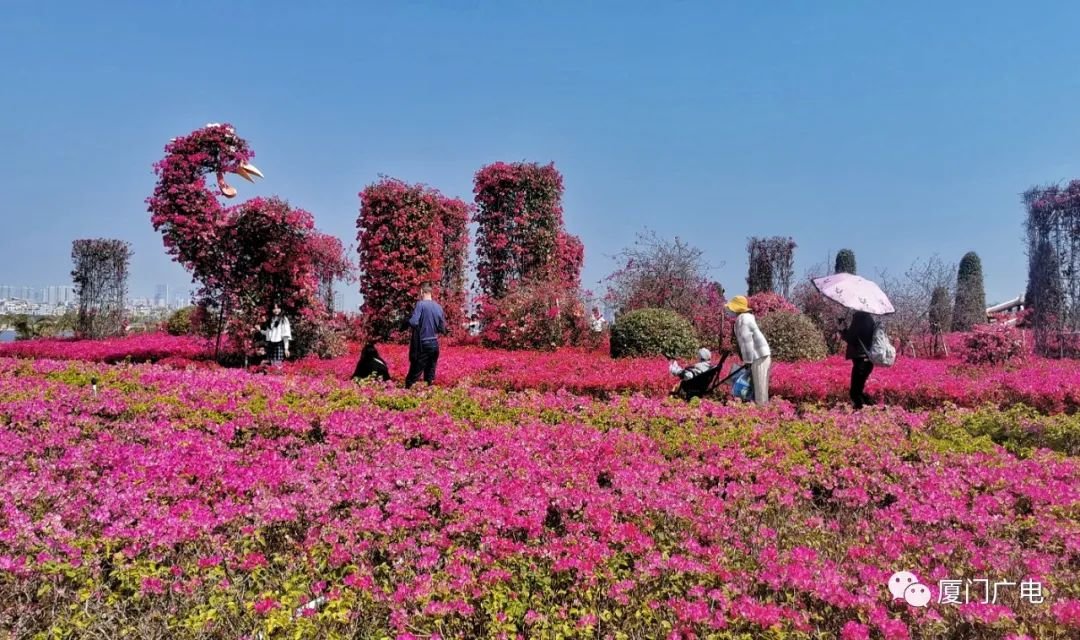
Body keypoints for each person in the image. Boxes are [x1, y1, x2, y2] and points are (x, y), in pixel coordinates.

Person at [727, 295, 771, 404]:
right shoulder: (746, 317)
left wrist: (747, 361)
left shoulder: (742, 319)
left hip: (758, 356)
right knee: (760, 387)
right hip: (761, 355)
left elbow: (747, 341)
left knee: (760, 391)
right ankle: (762, 408)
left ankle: (762, 410)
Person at [405, 283, 447, 388]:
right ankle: (429, 393)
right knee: (429, 375)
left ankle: (407, 392)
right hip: (434, 345)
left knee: (413, 375)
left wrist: (407, 320)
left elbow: (414, 322)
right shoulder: (438, 307)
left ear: (421, 292)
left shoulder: (420, 304)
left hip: (423, 344)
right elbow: (442, 328)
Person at [840, 311, 877, 409]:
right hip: (868, 360)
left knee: (855, 393)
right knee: (858, 392)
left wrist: (842, 329)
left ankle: (865, 412)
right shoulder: (869, 319)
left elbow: (850, 338)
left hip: (861, 360)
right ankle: (871, 409)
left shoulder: (859, 317)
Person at [254, 303, 291, 367]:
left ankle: (277, 373)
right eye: (274, 308)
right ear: (271, 310)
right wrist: (260, 330)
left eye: (278, 308)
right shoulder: (271, 319)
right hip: (271, 344)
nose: (276, 310)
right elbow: (268, 333)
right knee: (271, 364)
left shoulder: (283, 319)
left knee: (278, 365)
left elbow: (285, 335)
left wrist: (286, 348)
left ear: (281, 309)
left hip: (278, 343)